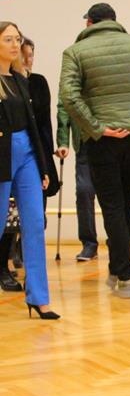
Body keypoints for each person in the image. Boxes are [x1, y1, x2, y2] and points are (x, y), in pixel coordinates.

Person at [59, 3, 130, 299]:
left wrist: (96, 127)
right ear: (114, 21)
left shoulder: (75, 52)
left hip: (102, 141)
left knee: (112, 205)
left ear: (89, 22)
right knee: (126, 204)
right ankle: (117, 267)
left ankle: (125, 274)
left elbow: (68, 96)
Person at [0, 21, 59, 319]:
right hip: (2, 154)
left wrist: (43, 164)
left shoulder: (21, 79)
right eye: (8, 39)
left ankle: (38, 296)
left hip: (27, 156)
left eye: (17, 39)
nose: (15, 45)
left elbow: (34, 126)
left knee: (35, 223)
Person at [56, 102, 98, 262]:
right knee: (83, 191)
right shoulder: (71, 84)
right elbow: (64, 108)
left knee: (112, 194)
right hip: (83, 143)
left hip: (109, 139)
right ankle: (89, 243)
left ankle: (116, 242)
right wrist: (63, 142)